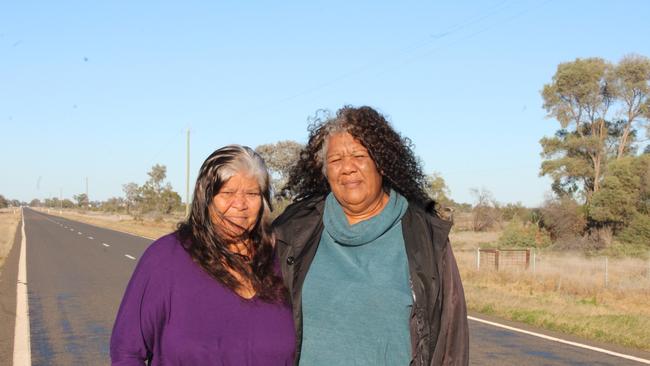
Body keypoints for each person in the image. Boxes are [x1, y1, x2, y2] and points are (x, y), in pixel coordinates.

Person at [274, 106, 469, 365]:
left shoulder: (426, 237)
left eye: (359, 155)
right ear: (325, 171)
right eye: (335, 160)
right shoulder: (293, 229)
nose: (347, 168)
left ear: (382, 164)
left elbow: (450, 343)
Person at [111, 145, 295, 365]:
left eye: (252, 193)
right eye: (227, 193)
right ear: (205, 199)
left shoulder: (282, 259)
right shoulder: (166, 258)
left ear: (263, 201)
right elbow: (127, 352)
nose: (240, 204)